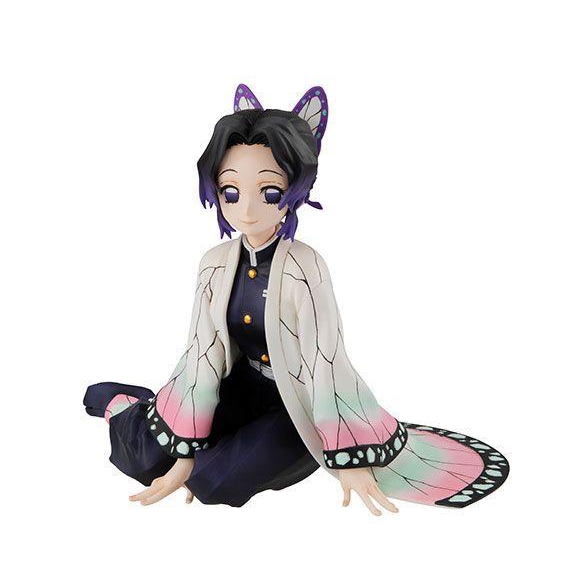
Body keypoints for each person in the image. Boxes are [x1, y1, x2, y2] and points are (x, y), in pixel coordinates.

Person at [84, 84, 509, 514]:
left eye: (269, 192)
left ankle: (241, 447)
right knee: (149, 459)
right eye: (231, 192)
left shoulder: (305, 267)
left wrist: (351, 457)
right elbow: (202, 353)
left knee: (215, 482)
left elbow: (327, 360)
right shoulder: (214, 263)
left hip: (295, 402)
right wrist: (184, 451)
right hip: (238, 385)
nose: (246, 209)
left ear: (294, 189)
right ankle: (124, 406)